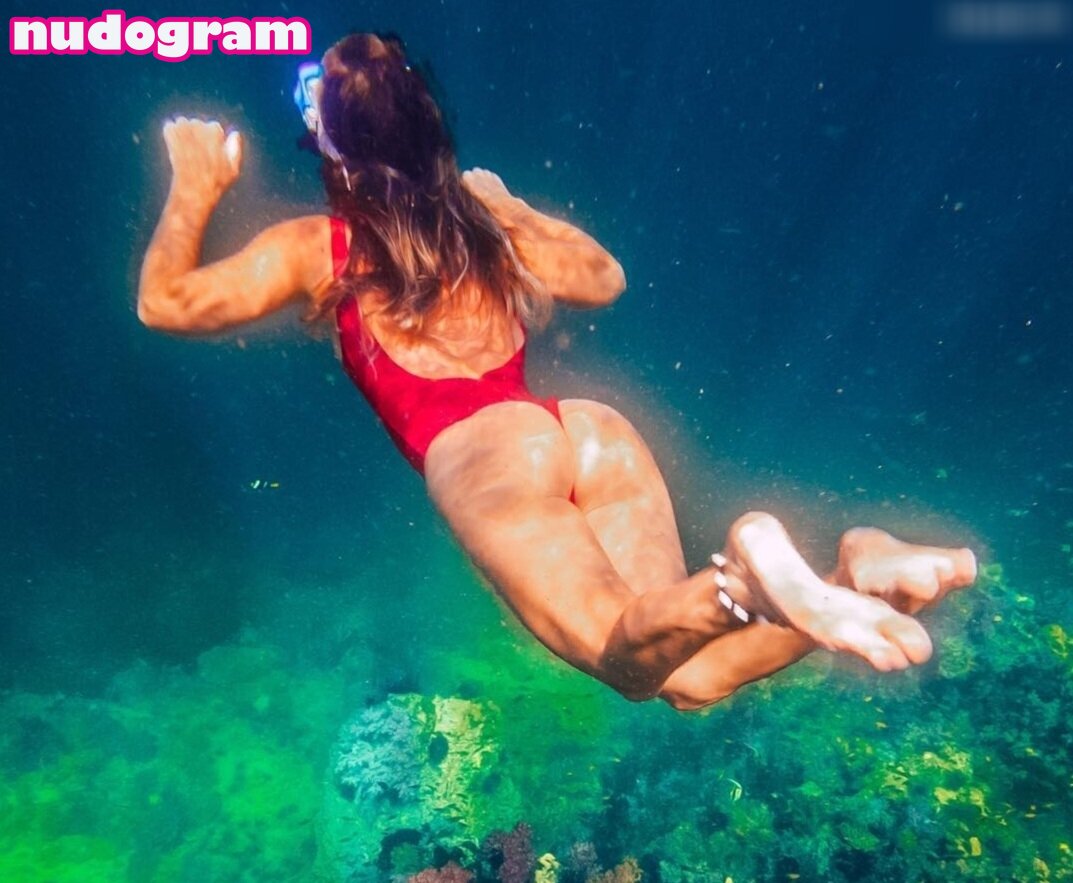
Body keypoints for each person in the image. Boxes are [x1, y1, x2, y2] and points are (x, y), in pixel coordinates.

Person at [137, 33, 977, 711]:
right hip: (584, 429)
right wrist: (508, 207)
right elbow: (603, 277)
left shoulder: (318, 248)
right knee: (688, 678)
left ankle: (750, 572)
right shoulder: (486, 224)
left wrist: (195, 185)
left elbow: (164, 303)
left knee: (625, 660)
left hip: (485, 454)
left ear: (334, 146)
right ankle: (854, 575)